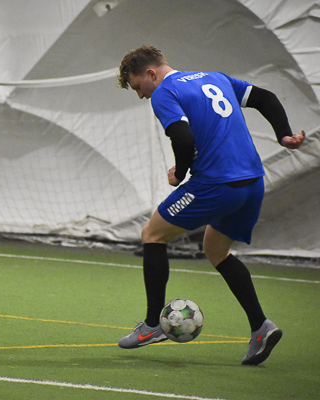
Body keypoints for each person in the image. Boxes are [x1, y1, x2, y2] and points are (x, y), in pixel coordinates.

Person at [116, 45, 305, 365]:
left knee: (152, 234)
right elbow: (266, 98)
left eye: (138, 87)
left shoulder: (164, 92)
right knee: (216, 250)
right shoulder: (215, 78)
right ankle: (261, 327)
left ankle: (152, 326)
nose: (140, 95)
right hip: (253, 183)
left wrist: (180, 173)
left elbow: (183, 138)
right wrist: (284, 135)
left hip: (217, 184)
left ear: (150, 73)